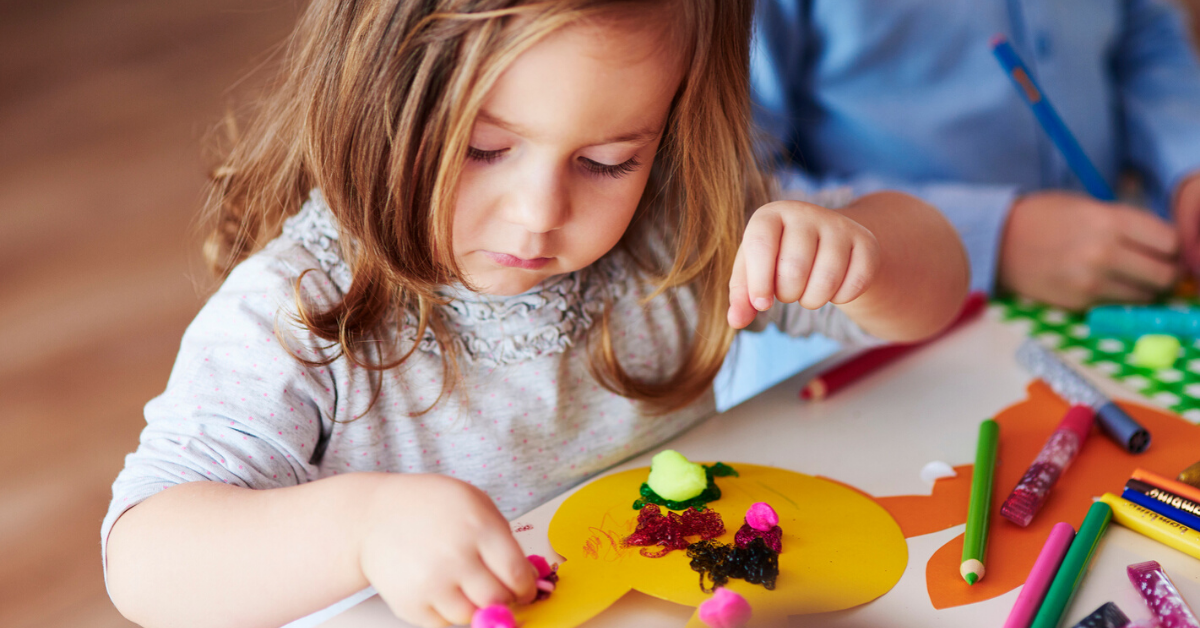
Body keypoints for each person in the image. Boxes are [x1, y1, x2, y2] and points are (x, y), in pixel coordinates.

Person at [102, 1, 968, 627]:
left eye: (605, 161)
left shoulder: (675, 232)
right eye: (484, 149)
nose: (538, 212)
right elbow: (146, 561)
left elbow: (932, 300)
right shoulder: (298, 312)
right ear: (374, 101)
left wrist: (863, 249)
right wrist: (363, 526)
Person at [722, 0, 1200, 408]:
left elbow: (1147, 39)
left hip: (1113, 290)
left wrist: (1188, 167)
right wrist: (998, 234)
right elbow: (729, 184)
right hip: (868, 364)